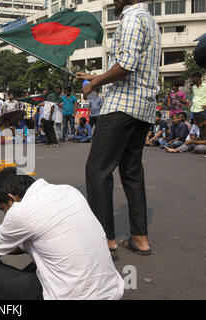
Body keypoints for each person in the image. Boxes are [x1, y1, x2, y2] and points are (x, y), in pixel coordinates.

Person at [0, 167, 124, 300]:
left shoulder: (21, 212)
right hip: (109, 291)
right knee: (41, 260)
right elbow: (27, 244)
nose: (5, 214)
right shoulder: (67, 191)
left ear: (12, 198)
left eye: (3, 209)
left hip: (70, 295)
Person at [77, 0, 161, 255]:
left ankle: (105, 239)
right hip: (143, 108)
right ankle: (140, 238)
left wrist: (95, 84)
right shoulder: (151, 21)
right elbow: (133, 66)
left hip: (122, 105)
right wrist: (99, 76)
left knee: (97, 169)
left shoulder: (132, 19)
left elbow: (126, 65)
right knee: (131, 172)